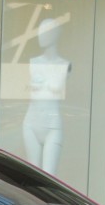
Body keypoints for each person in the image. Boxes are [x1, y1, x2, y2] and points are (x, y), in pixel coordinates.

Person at [22, 17, 71, 175]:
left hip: (52, 125)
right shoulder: (33, 62)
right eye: (39, 32)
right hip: (31, 123)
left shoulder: (64, 64)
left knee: (50, 176)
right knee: (33, 175)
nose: (40, 36)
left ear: (56, 34)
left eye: (46, 32)